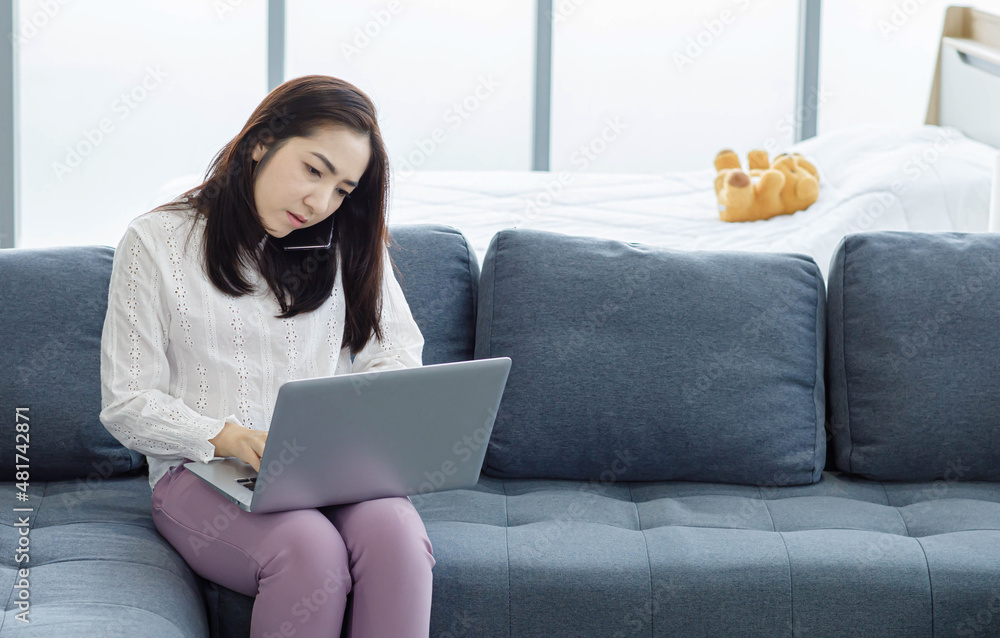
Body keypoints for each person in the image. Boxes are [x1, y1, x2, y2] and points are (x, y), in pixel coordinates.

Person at [99, 75, 435, 638]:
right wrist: (228, 437)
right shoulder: (155, 242)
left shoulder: (349, 241)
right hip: (202, 471)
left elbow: (397, 351)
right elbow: (127, 402)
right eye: (313, 170)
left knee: (398, 539)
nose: (321, 202)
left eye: (343, 190)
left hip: (330, 469)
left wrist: (360, 422)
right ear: (261, 142)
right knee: (309, 550)